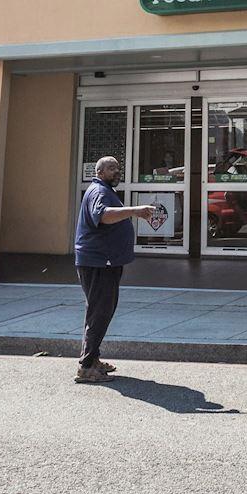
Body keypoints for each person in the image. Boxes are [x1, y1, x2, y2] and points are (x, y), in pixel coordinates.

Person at [72, 155, 161, 383]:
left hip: (104, 262)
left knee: (98, 312)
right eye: (111, 168)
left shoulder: (103, 190)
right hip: (99, 262)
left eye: (118, 168)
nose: (116, 171)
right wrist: (134, 210)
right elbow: (102, 216)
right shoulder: (99, 192)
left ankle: (92, 359)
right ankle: (86, 367)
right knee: (99, 313)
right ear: (99, 172)